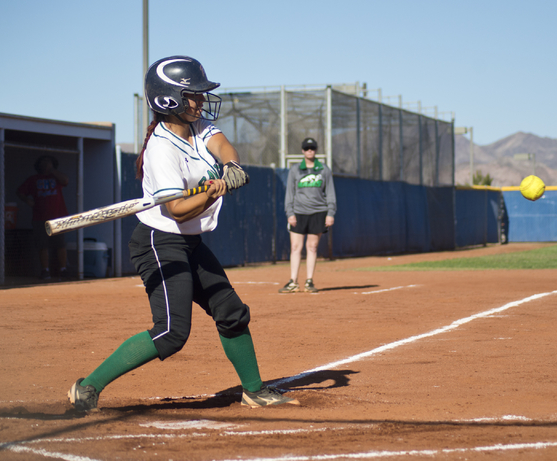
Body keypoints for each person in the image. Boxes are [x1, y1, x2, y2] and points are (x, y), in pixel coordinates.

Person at [67, 56, 299, 411]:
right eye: (193, 95)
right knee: (172, 333)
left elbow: (221, 144)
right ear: (169, 100)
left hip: (189, 241)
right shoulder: (160, 150)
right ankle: (88, 387)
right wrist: (213, 190)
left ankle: (253, 390)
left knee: (231, 311)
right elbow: (176, 210)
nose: (202, 101)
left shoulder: (197, 127)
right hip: (159, 243)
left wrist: (231, 166)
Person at [279, 137, 336, 293]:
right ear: (303, 151)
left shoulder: (324, 169)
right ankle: (293, 282)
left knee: (312, 247)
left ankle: (309, 281)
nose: (310, 151)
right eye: (307, 148)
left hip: (318, 212)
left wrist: (330, 213)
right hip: (298, 212)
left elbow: (330, 193)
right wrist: (290, 213)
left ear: (316, 150)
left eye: (312, 148)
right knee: (296, 247)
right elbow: (289, 194)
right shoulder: (296, 169)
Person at [17, 155, 70, 280]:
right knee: (42, 245)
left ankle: (63, 270)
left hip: (58, 217)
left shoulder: (55, 177)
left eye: (49, 161)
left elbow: (66, 180)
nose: (46, 164)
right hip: (40, 218)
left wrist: (52, 170)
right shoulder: (33, 179)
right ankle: (45, 271)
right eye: (43, 162)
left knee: (60, 244)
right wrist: (27, 200)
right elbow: (20, 192)